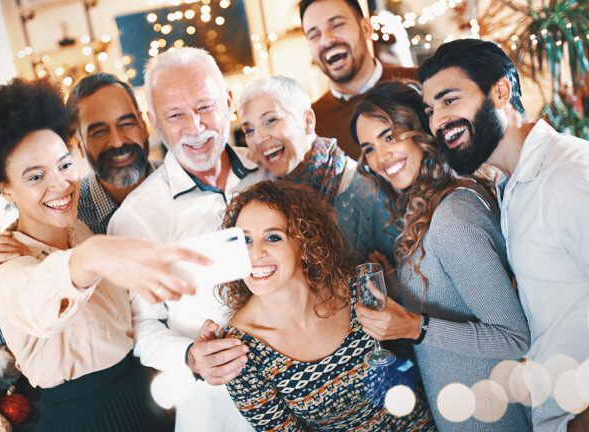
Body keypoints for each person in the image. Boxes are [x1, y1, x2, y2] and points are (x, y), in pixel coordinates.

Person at [0, 78, 208, 431]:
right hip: (84, 417)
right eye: (34, 177)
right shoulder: (3, 263)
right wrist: (89, 257)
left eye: (64, 165)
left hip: (146, 395)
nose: (60, 184)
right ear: (5, 187)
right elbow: (35, 304)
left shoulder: (79, 228)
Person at [419, 39, 589, 432]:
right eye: (430, 110)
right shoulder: (511, 186)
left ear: (501, 91)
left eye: (449, 100)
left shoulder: (568, 175)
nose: (438, 120)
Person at [350, 80, 531, 431]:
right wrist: (396, 283)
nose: (381, 157)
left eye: (390, 136)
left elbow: (514, 337)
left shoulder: (452, 216)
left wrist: (414, 327)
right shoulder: (430, 205)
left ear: (420, 128)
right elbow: (453, 297)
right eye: (369, 148)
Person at [107, 47, 268, 431]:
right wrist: (191, 357)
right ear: (153, 123)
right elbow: (142, 329)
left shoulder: (272, 170)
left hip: (310, 388)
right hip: (220, 410)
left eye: (205, 107)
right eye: (175, 115)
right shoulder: (136, 218)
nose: (195, 127)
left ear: (228, 102)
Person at [220, 180, 436, 431]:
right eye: (244, 240)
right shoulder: (239, 352)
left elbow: (405, 358)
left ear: (304, 243)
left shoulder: (355, 289)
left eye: (273, 237)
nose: (255, 253)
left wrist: (400, 295)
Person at [0, 72, 158, 345]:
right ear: (78, 143)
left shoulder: (179, 185)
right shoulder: (66, 216)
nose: (117, 141)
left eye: (126, 123)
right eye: (98, 130)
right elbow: (0, 332)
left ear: (144, 125)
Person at [238, 75, 397, 261]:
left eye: (270, 120)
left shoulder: (366, 190)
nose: (258, 138)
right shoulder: (266, 198)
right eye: (249, 130)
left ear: (307, 121)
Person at [300, 0, 417, 159]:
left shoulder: (421, 82)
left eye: (337, 25)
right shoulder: (311, 125)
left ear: (366, 29)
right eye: (314, 35)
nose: (326, 40)